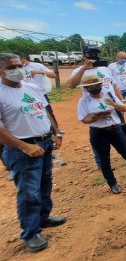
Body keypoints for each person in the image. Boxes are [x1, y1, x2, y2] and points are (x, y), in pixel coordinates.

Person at [0, 53, 66, 252]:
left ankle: (43, 218)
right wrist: (24, 146)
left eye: (19, 65)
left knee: (45, 183)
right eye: (11, 67)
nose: (18, 69)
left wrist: (57, 132)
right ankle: (30, 232)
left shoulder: (31, 87)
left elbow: (45, 111)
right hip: (24, 150)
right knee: (29, 192)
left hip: (45, 143)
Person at [67, 47, 126, 164]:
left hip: (112, 103)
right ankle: (100, 161)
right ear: (84, 57)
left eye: (96, 55)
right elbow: (71, 85)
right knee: (97, 132)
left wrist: (121, 100)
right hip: (95, 105)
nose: (93, 58)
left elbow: (114, 85)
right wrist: (84, 68)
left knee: (120, 129)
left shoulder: (105, 69)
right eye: (90, 55)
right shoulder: (79, 71)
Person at [76, 75, 126, 194]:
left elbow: (123, 109)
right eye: (91, 87)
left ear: (101, 85)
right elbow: (84, 119)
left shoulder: (109, 94)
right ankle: (112, 184)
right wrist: (98, 116)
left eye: (97, 85)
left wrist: (113, 104)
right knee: (104, 159)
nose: (95, 88)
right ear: (87, 89)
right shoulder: (84, 101)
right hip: (98, 132)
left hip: (115, 130)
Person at [15, 52, 58, 126]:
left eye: (17, 61)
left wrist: (40, 71)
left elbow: (54, 75)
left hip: (40, 94)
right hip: (25, 96)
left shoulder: (37, 65)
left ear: (23, 58)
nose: (16, 64)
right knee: (31, 115)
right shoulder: (15, 69)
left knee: (48, 112)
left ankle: (56, 131)